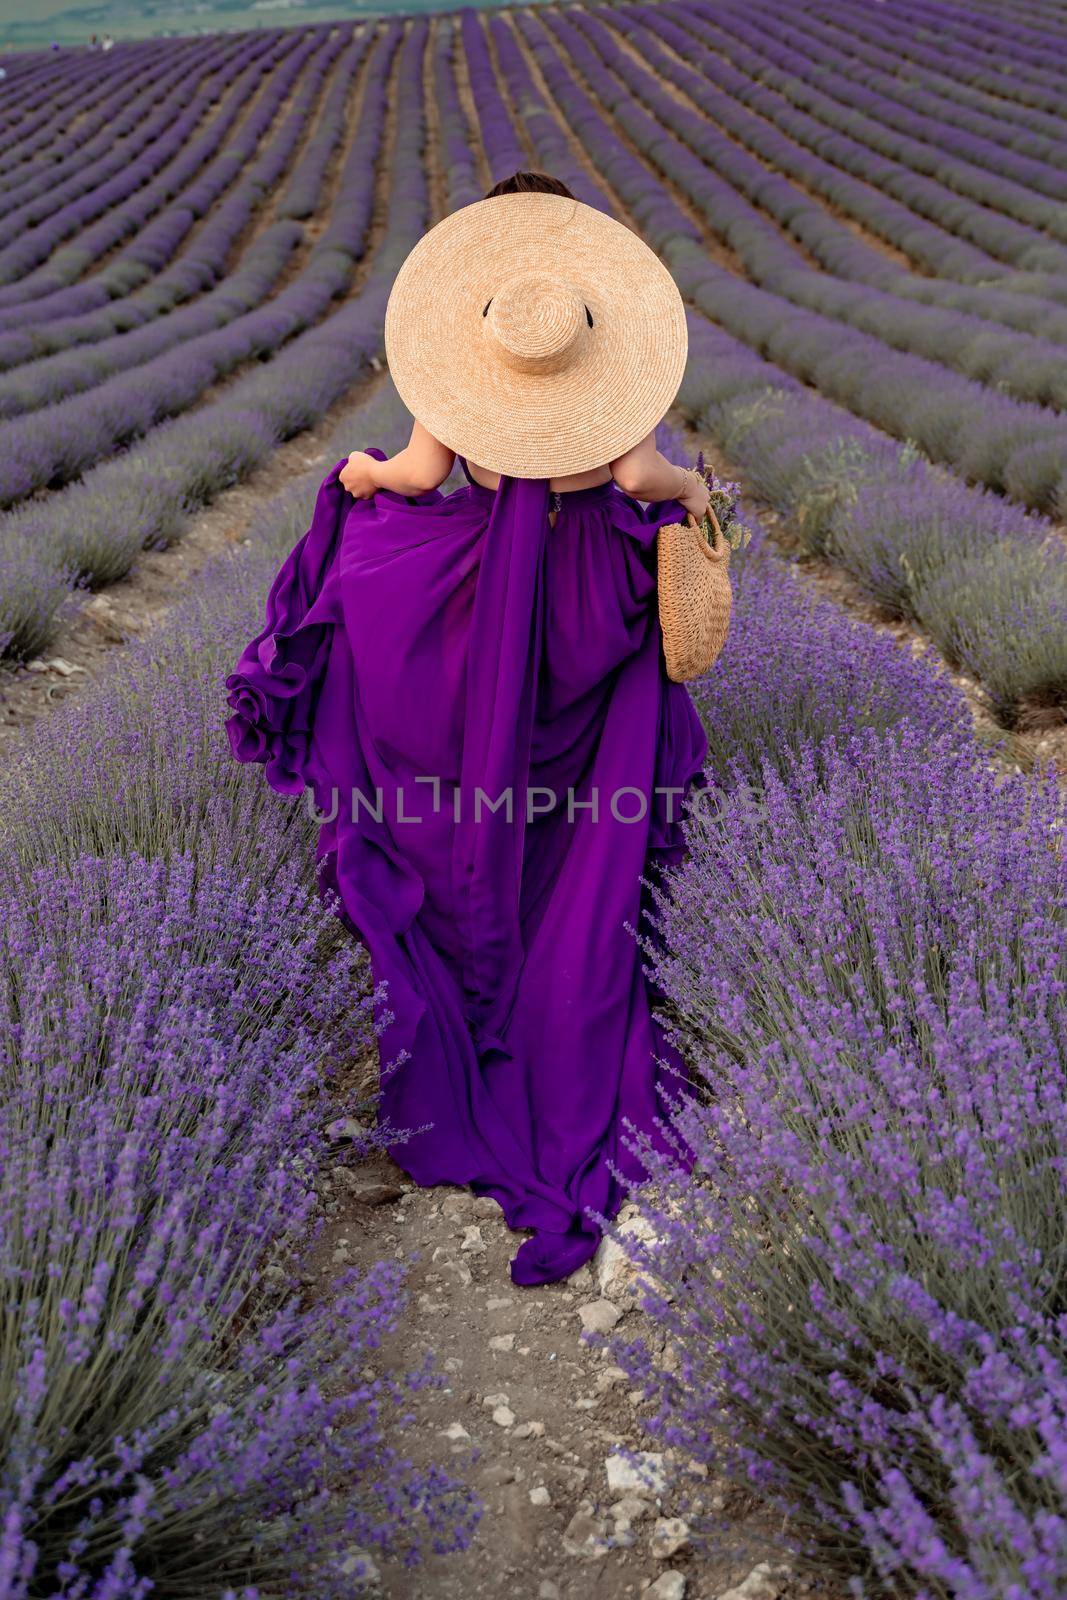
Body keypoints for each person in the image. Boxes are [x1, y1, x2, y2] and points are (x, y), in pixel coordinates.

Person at [224, 172, 711, 1286]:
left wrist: (356, 476)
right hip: (594, 598)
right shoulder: (615, 373)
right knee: (586, 810)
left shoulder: (460, 371)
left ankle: (473, 987)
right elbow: (641, 478)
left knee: (460, 781)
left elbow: (413, 475)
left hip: (479, 595)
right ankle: (565, 983)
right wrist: (692, 493)